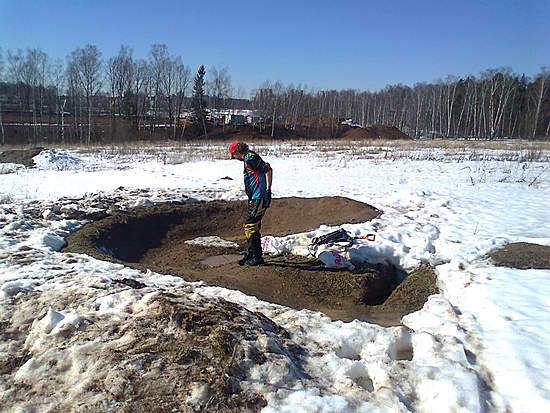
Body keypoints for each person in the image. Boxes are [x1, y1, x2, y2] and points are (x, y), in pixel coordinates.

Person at [229, 140, 273, 266]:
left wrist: (267, 190)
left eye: (234, 155)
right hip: (257, 196)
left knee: (250, 225)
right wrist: (268, 190)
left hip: (258, 197)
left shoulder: (250, 158)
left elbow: (267, 168)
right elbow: (268, 169)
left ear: (237, 151)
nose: (235, 158)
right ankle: (251, 254)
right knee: (252, 225)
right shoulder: (250, 157)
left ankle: (257, 257)